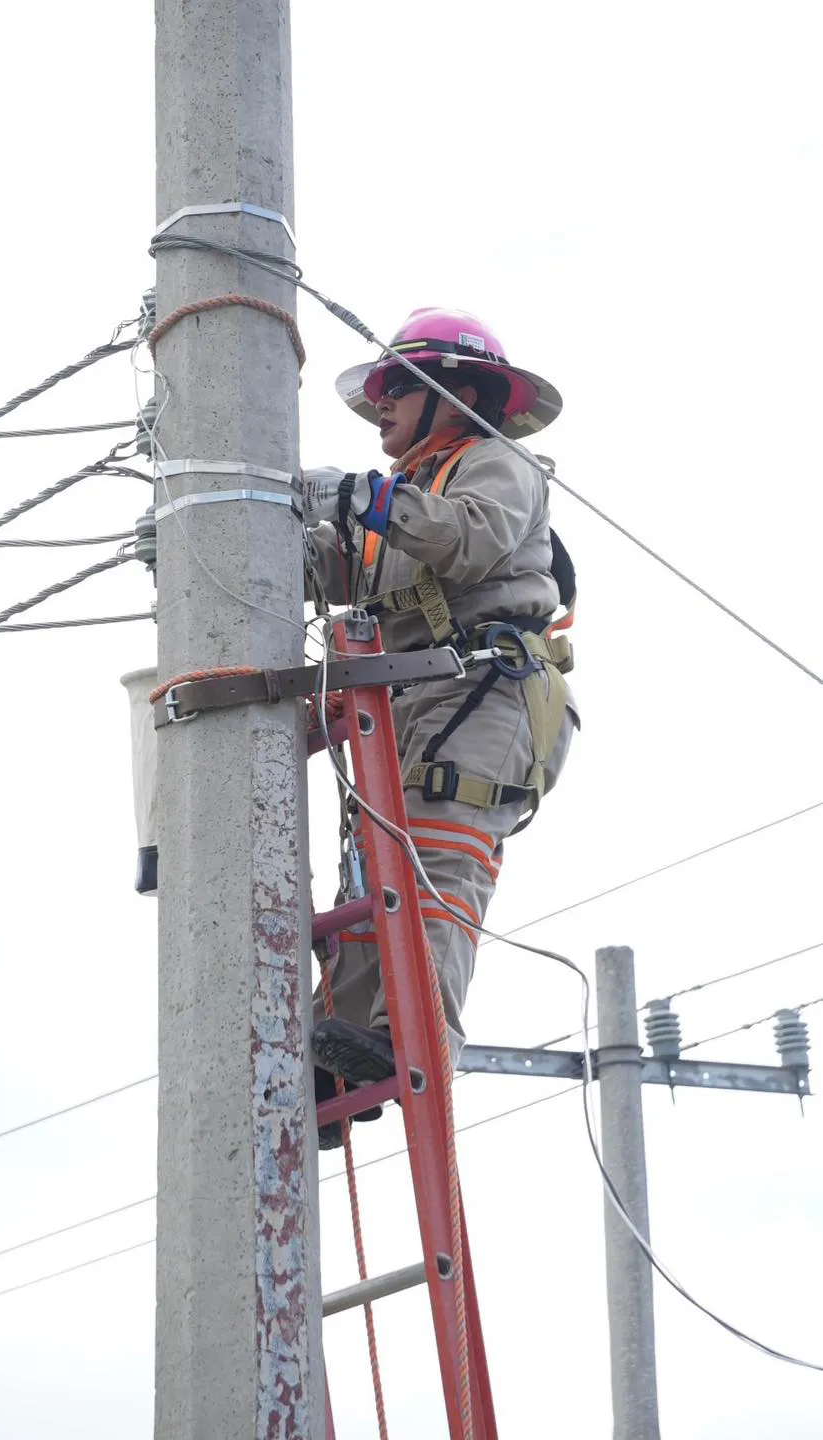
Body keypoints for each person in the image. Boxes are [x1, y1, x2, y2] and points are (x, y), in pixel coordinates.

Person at [302, 307, 579, 1147]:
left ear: (452, 393)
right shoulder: (405, 501)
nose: (381, 404)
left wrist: (361, 497)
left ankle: (415, 1039)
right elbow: (339, 571)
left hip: (486, 690)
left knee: (436, 860)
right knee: (371, 875)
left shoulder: (496, 465)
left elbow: (469, 541)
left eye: (396, 387)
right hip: (415, 696)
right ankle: (339, 1056)